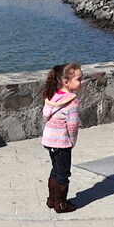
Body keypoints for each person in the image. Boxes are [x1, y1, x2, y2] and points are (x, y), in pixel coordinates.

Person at [40, 61, 82, 213]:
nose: (81, 82)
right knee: (64, 173)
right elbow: (72, 125)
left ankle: (51, 200)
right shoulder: (72, 101)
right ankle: (61, 204)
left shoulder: (52, 96)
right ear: (66, 82)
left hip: (49, 141)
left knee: (55, 169)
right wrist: (72, 141)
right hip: (62, 143)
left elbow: (45, 116)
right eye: (78, 79)